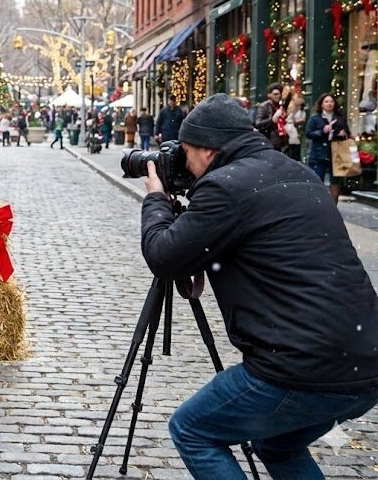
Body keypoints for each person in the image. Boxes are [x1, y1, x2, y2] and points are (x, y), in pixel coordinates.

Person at [140, 93, 378, 479]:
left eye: (185, 152)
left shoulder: (225, 187)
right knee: (277, 442)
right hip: (366, 359)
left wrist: (155, 200)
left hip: (301, 365)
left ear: (208, 149)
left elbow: (165, 256)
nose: (184, 162)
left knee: (193, 429)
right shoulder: (298, 172)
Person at [305, 92, 349, 204]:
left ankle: (333, 207)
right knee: (317, 181)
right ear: (321, 104)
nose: (329, 104)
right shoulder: (315, 118)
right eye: (326, 101)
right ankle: (318, 205)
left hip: (336, 154)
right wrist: (322, 131)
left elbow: (347, 133)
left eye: (331, 101)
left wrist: (342, 134)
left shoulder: (340, 118)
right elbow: (309, 133)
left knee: (335, 182)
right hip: (318, 154)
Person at [253, 83, 288, 151]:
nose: (278, 96)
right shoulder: (264, 106)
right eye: (275, 94)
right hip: (270, 142)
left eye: (279, 94)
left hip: (281, 142)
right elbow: (258, 123)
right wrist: (272, 120)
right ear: (269, 95)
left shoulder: (280, 106)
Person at [281, 87, 306, 161]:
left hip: (295, 130)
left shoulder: (300, 110)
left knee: (295, 149)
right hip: (289, 130)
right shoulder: (289, 106)